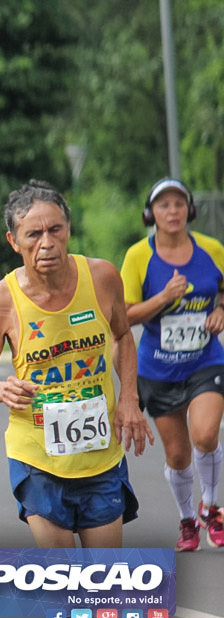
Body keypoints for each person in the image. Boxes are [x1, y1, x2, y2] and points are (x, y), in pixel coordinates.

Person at [0, 180, 153, 618]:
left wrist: (130, 400)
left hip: (101, 457)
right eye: (32, 235)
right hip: (37, 457)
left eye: (54, 230)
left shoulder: (102, 277)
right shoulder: (0, 301)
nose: (45, 243)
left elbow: (121, 336)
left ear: (68, 229)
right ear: (13, 241)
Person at [121, 178, 224, 550]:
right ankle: (186, 521)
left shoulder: (211, 249)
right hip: (158, 370)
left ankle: (211, 506)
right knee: (178, 456)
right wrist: (164, 297)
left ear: (189, 210)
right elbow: (126, 315)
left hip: (205, 360)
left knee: (206, 434)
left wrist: (221, 309)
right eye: (163, 205)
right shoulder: (138, 256)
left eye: (179, 204)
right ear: (151, 214)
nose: (172, 211)